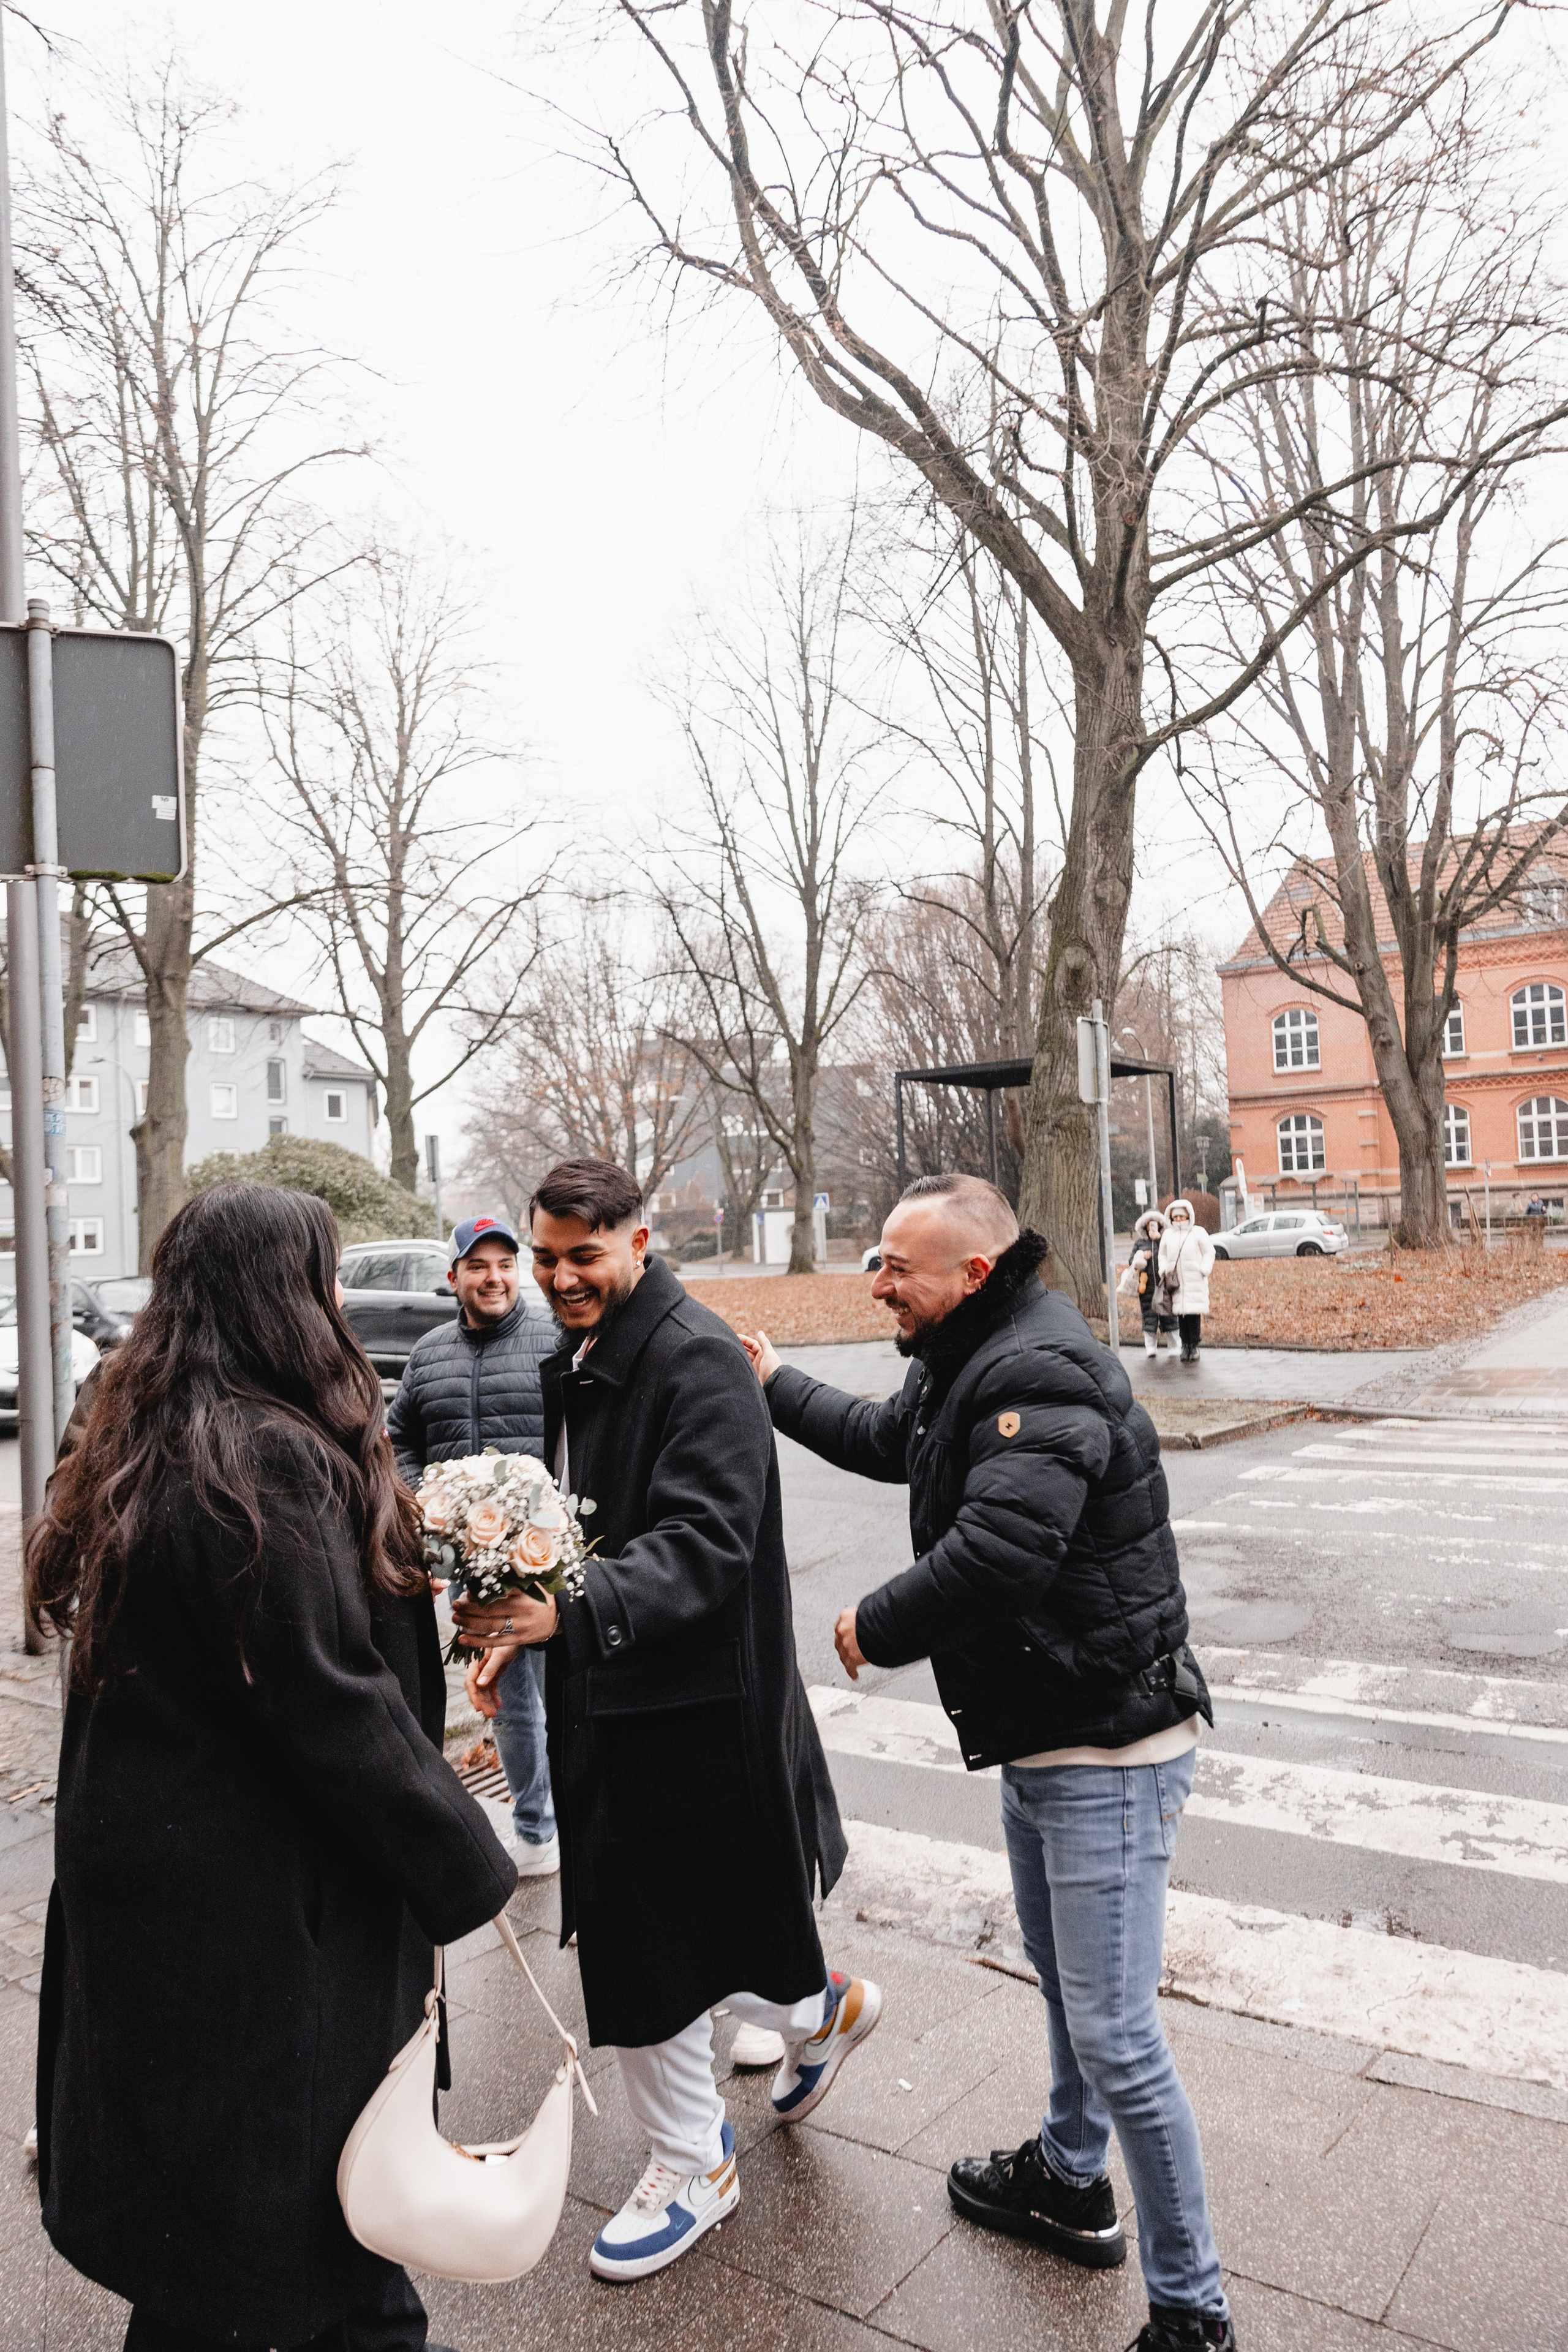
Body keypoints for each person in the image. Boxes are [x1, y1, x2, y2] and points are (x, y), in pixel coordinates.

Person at [744, 1174, 1235, 2352]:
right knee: (1068, 1985)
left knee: (1116, 2030)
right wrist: (773, 1385)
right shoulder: (971, 1350)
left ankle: (1194, 2313)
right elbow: (885, 1439)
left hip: (1108, 1745)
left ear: (969, 1271)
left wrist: (878, 1621)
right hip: (1051, 1728)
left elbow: (1001, 1555)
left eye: (894, 1268)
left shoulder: (1036, 1367)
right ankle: (1068, 2179)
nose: (876, 1284)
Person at [27, 1182, 517, 2352]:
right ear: (283, 1294)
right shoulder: (265, 1458)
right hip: (262, 1911)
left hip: (165, 1886)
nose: (342, 1296)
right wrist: (467, 1862)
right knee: (305, 2227)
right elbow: (330, 1704)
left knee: (221, 2238)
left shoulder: (143, 1431)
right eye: (327, 1273)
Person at [454, 1156, 873, 2286]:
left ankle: (697, 2163)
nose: (558, 1278)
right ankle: (814, 2010)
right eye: (545, 1259)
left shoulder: (696, 1361)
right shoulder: (586, 1352)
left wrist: (563, 1613)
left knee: (652, 1952)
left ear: (641, 1241)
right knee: (682, 1936)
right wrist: (513, 1627)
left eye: (582, 1256)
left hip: (690, 1713)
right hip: (627, 1695)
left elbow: (708, 1545)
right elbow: (566, 1524)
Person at [388, 1213, 560, 1875]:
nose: (494, 1278)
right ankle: (535, 1831)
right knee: (512, 1708)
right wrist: (420, 1503)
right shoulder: (429, 1354)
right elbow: (401, 1436)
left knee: (568, 1700)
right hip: (470, 1563)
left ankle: (586, 1820)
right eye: (479, 1266)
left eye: (505, 1265)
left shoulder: (553, 1340)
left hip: (546, 1563)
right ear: (454, 1276)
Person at [1156, 1197, 1216, 1365]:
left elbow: (1209, 1252)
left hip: (1195, 1279)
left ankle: (1194, 1345)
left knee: (1193, 1314)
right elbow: (1162, 1254)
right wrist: (1163, 1270)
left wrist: (1204, 1269)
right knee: (1181, 1315)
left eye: (1182, 1217)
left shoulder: (1198, 1232)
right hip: (1176, 1282)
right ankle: (1185, 1345)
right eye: (1176, 1217)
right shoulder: (1168, 1235)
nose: (1179, 1220)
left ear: (1188, 1216)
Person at [1117, 1207, 1173, 1359]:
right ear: (1144, 1227)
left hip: (1164, 1284)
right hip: (1146, 1285)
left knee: (1168, 1314)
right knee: (1149, 1315)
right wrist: (1142, 1256)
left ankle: (1174, 1345)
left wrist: (1159, 1240)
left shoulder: (1165, 1241)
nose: (1151, 1227)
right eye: (1149, 1225)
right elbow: (1132, 1261)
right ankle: (1150, 1346)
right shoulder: (1140, 1244)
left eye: (1154, 1224)